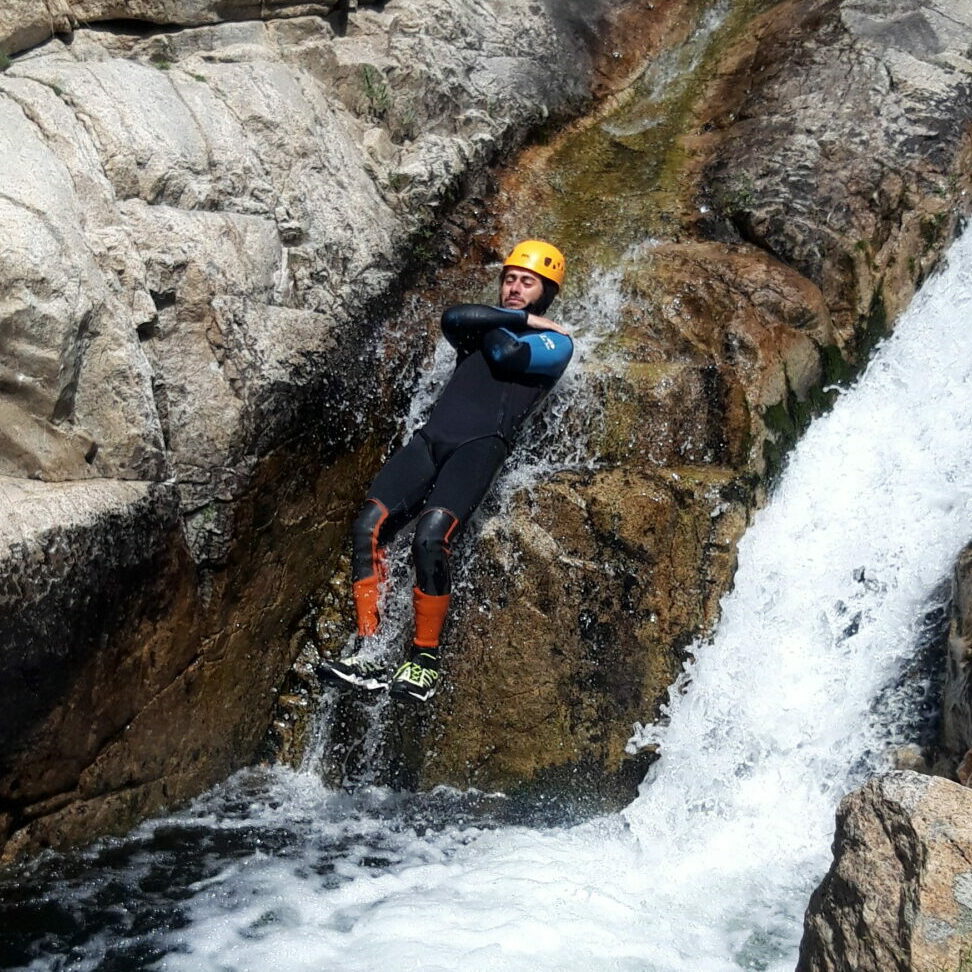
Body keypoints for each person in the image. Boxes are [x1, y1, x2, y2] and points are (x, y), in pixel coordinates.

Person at [319, 240, 573, 702]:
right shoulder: (497, 324)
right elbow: (453, 317)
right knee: (368, 524)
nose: (515, 288)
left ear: (548, 292)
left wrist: (510, 323)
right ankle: (367, 651)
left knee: (430, 536)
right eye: (509, 279)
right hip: (431, 440)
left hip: (480, 446)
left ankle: (424, 661)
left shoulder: (556, 342)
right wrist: (518, 317)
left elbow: (507, 355)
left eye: (527, 282)